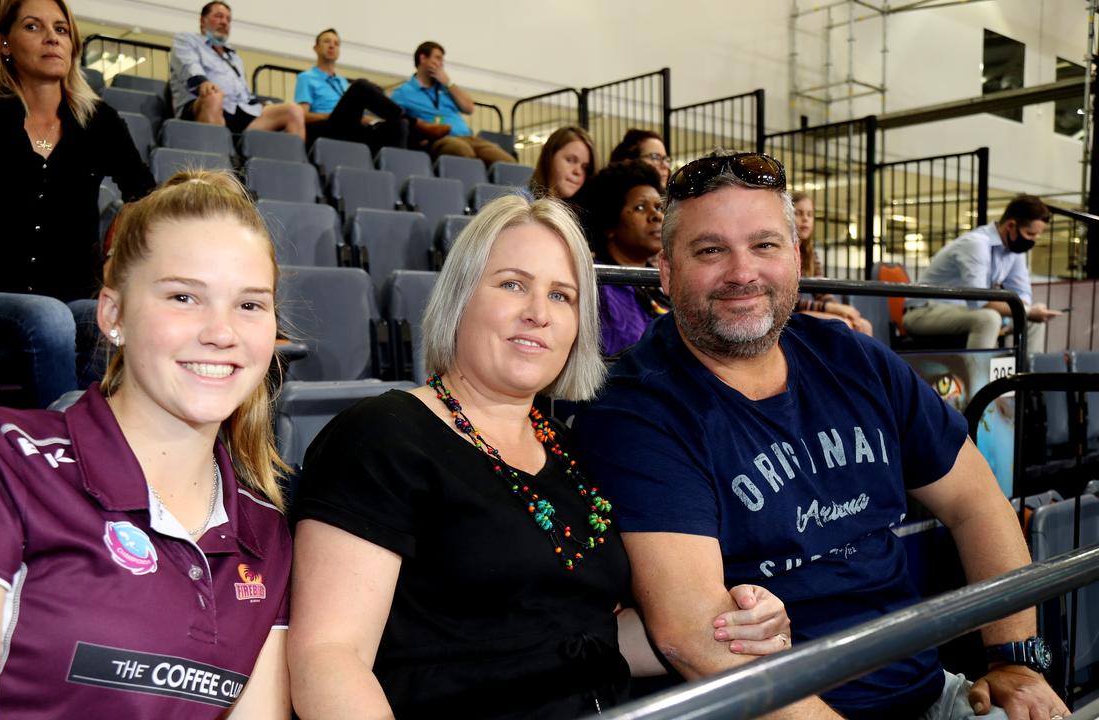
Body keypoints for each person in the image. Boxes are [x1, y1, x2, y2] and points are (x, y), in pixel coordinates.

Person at [576, 150, 1070, 719]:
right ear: (667, 272)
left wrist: (1014, 660)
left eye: (764, 245)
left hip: (931, 691)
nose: (742, 272)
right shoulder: (637, 408)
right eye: (710, 250)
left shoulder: (853, 358)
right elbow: (694, 639)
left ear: (796, 257)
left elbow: (975, 502)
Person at [288, 194, 793, 719]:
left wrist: (732, 626)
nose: (537, 314)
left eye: (561, 296)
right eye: (512, 284)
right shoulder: (380, 437)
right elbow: (329, 658)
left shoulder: (568, 447)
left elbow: (581, 635)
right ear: (460, 298)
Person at [0, 170, 292, 719]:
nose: (222, 332)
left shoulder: (266, 530)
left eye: (249, 305)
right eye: (184, 296)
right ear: (112, 313)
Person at [0, 0, 155, 408]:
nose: (52, 37)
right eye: (34, 27)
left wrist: (114, 252)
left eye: (61, 29)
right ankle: (57, 447)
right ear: (4, 42)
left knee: (114, 319)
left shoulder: (99, 120)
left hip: (70, 292)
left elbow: (145, 195)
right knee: (49, 317)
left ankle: (105, 439)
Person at [903, 194, 1060, 353]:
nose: (1033, 240)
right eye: (1030, 234)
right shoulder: (976, 244)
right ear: (1011, 225)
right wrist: (1028, 310)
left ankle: (1027, 377)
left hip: (965, 312)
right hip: (923, 313)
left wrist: (1027, 312)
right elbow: (980, 301)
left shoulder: (1014, 251)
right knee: (989, 318)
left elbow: (1023, 294)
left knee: (1032, 322)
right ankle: (981, 377)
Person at [170, 2, 304, 138]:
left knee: (293, 110)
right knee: (213, 96)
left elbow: (244, 93)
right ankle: (216, 157)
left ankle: (295, 159)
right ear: (202, 21)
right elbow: (189, 66)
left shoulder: (234, 56)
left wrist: (261, 104)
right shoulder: (186, 39)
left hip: (240, 111)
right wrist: (203, 83)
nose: (224, 22)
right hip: (200, 106)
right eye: (218, 16)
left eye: (228, 19)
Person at [576, 160, 669, 356]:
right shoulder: (596, 285)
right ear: (609, 223)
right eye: (641, 208)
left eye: (659, 207)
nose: (657, 216)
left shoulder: (659, 282)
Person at [391, 41, 514, 166]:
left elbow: (469, 108)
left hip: (468, 138)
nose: (441, 64)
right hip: (440, 140)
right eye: (437, 58)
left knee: (508, 162)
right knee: (461, 150)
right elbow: (394, 119)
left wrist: (448, 82)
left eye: (442, 60)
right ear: (422, 58)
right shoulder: (403, 92)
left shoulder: (446, 88)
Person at [293, 28, 407, 152]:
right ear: (316, 48)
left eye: (336, 44)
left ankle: (394, 168)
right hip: (326, 128)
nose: (332, 46)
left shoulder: (342, 82)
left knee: (399, 125)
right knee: (361, 86)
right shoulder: (306, 78)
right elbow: (301, 116)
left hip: (351, 129)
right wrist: (329, 115)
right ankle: (403, 114)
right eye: (327, 42)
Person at [791, 191, 872, 335]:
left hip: (807, 311)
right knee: (842, 324)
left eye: (810, 214)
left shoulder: (810, 253)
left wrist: (843, 310)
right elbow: (793, 303)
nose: (805, 219)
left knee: (863, 325)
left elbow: (821, 292)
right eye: (799, 213)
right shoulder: (785, 251)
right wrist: (834, 309)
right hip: (790, 315)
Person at [530, 125, 595, 202]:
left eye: (584, 167)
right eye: (570, 160)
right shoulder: (522, 204)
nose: (578, 171)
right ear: (549, 156)